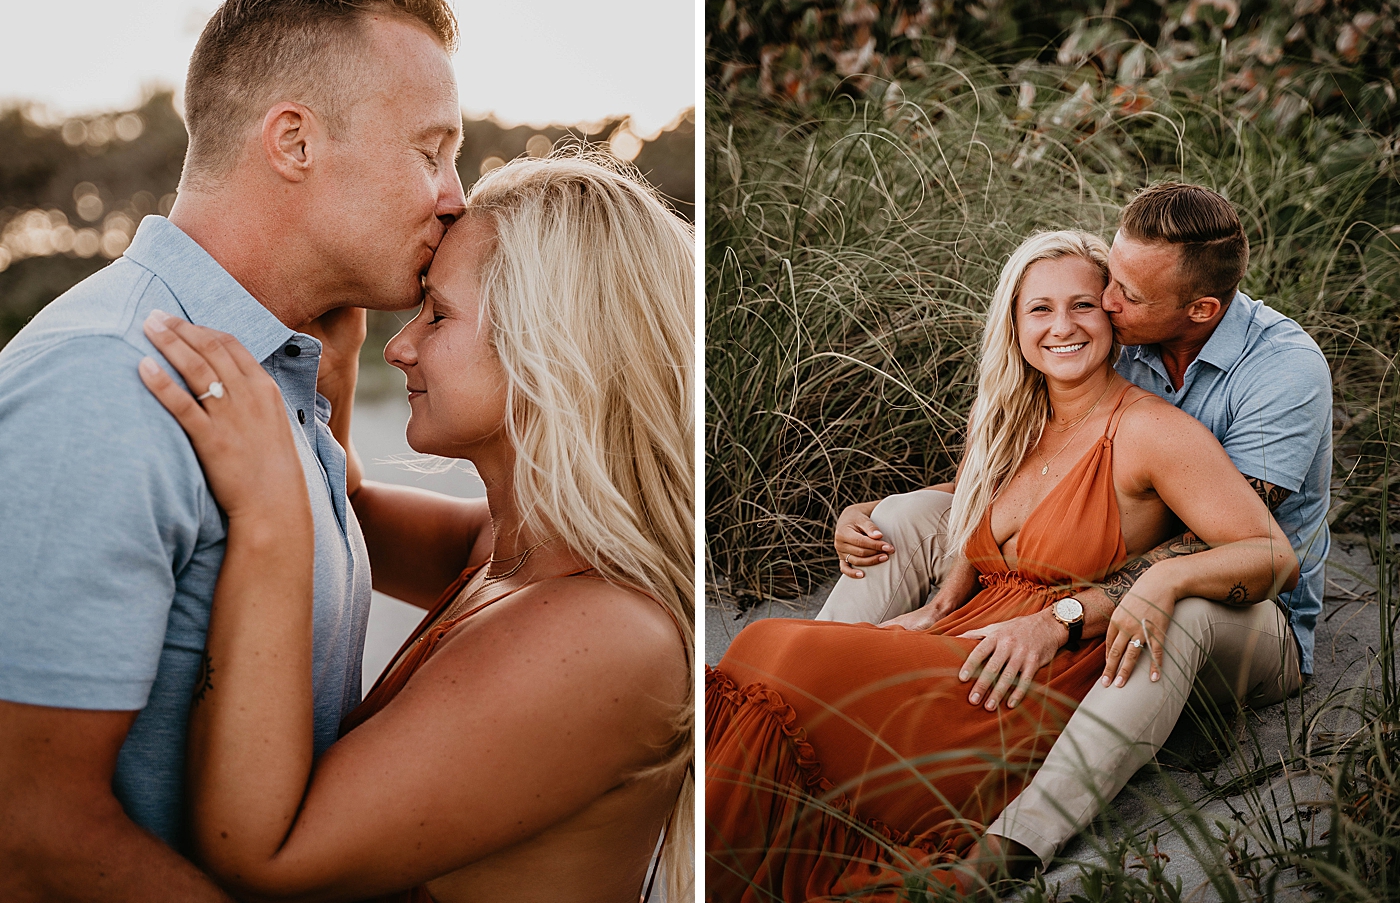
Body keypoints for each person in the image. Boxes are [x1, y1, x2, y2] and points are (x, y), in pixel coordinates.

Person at [0, 0, 467, 901]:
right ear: (293, 140)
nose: (455, 195)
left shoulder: (264, 381)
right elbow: (27, 833)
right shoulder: (112, 380)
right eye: (430, 150)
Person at [138, 153, 695, 902]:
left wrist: (267, 517)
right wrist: (329, 383)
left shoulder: (605, 633)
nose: (399, 345)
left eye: (437, 314)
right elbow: (353, 514)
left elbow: (267, 857)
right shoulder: (510, 552)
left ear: (549, 348)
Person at [705, 229, 1301, 901]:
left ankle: (1004, 849)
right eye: (1039, 309)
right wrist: (870, 515)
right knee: (772, 659)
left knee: (770, 650)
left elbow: (1273, 554)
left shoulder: (1149, 431)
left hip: (1046, 665)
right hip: (974, 636)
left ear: (1111, 314)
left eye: (1082, 304)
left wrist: (1145, 584)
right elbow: (963, 508)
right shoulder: (1011, 419)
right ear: (1013, 324)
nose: (1063, 326)